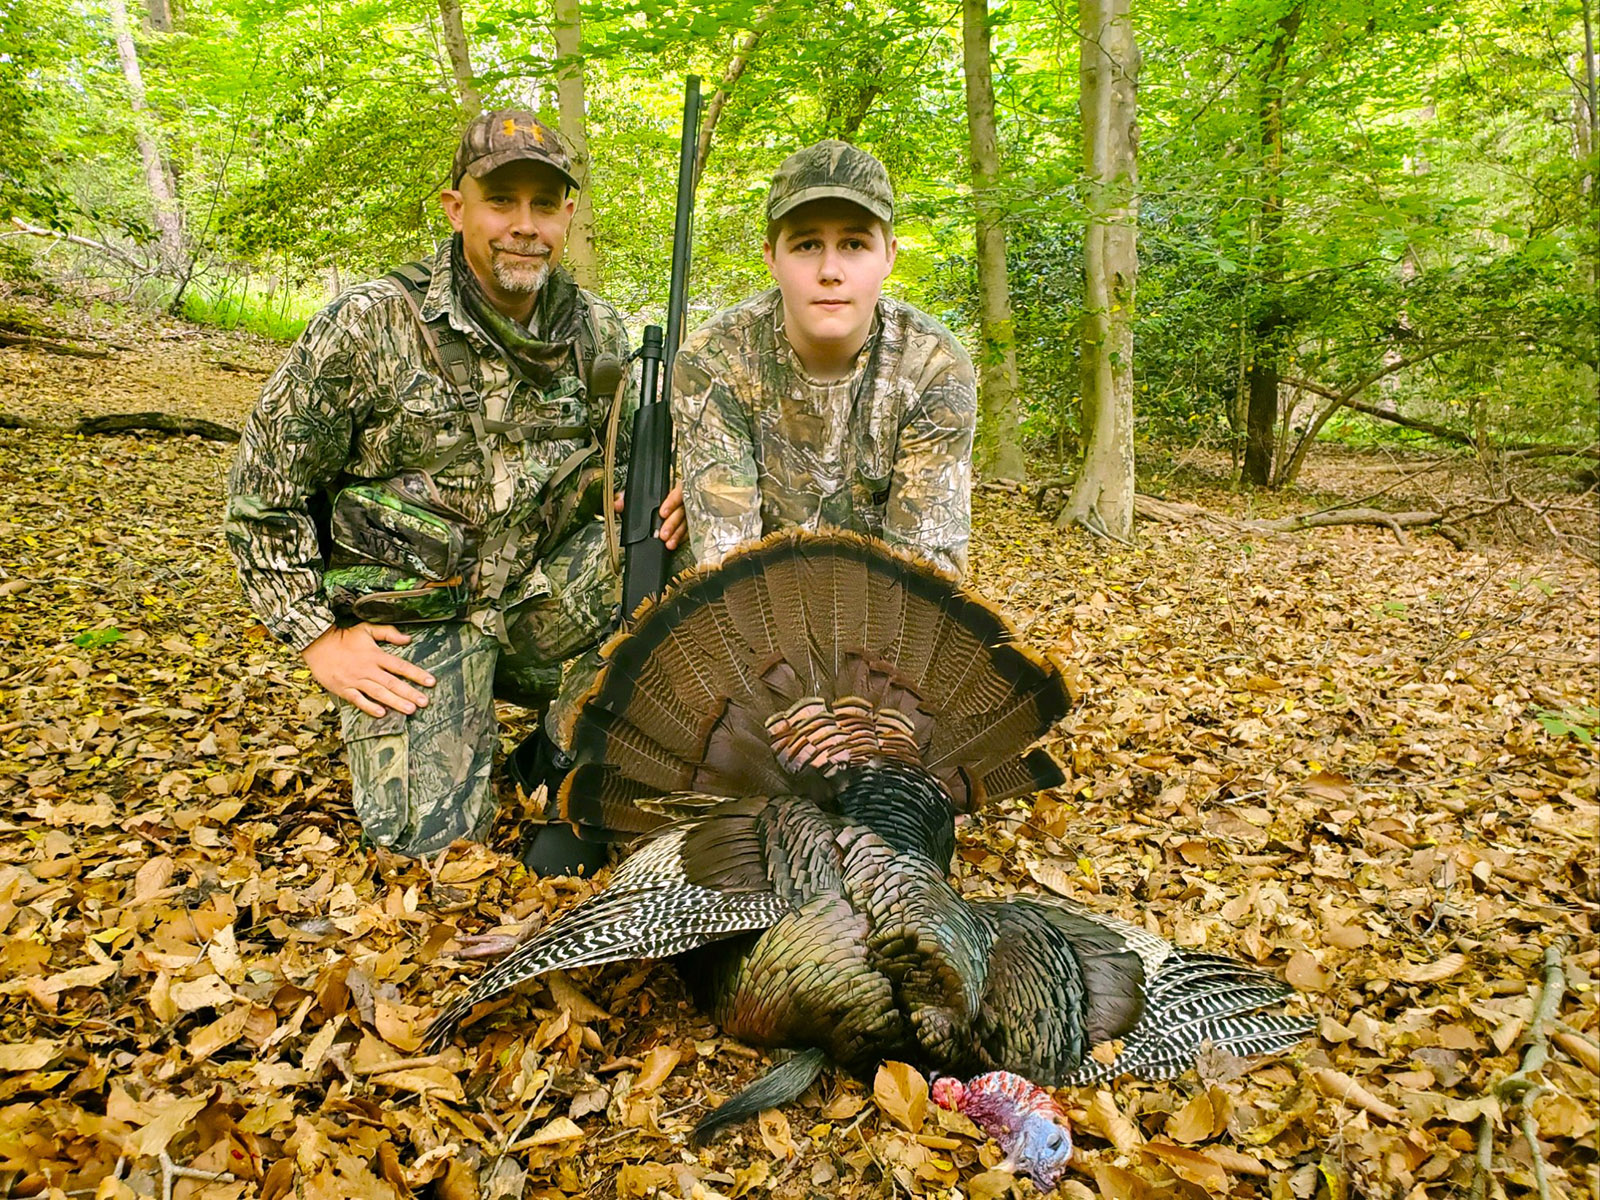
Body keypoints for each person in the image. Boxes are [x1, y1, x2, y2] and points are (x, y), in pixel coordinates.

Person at [225, 110, 684, 868]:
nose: (525, 226)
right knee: (432, 854)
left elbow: (627, 484)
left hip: (536, 605)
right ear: (456, 207)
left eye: (545, 204)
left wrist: (650, 502)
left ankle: (557, 747)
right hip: (418, 624)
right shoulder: (372, 325)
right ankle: (450, 736)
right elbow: (261, 496)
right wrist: (317, 637)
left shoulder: (601, 333)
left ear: (568, 215)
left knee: (682, 545)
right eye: (502, 201)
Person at [671, 140, 976, 580]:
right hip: (761, 606)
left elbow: (924, 573)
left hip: (884, 610)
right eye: (807, 245)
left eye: (854, 244)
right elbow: (728, 562)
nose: (830, 270)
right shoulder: (714, 360)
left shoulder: (934, 367)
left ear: (889, 255)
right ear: (771, 257)